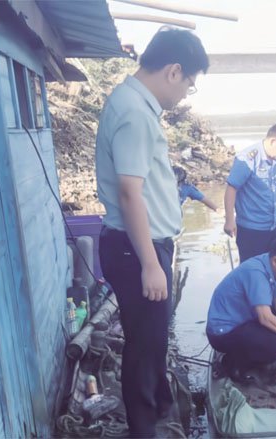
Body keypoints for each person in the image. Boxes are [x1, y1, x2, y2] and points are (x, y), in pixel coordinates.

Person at [95, 28, 209, 437]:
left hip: (138, 245)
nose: (185, 93)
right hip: (137, 249)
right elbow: (130, 193)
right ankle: (145, 430)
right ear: (174, 71)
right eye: (189, 83)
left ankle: (161, 409)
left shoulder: (131, 103)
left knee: (153, 341)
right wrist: (150, 264)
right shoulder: (136, 113)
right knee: (144, 349)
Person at [207, 234, 276, 378]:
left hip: (245, 320)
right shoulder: (256, 273)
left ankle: (253, 351)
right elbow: (265, 318)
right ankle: (232, 363)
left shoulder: (273, 267)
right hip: (223, 333)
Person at [223, 123, 276, 263]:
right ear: (273, 141)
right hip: (252, 230)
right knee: (253, 270)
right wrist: (229, 220)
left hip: (274, 226)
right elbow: (231, 188)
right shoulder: (247, 159)